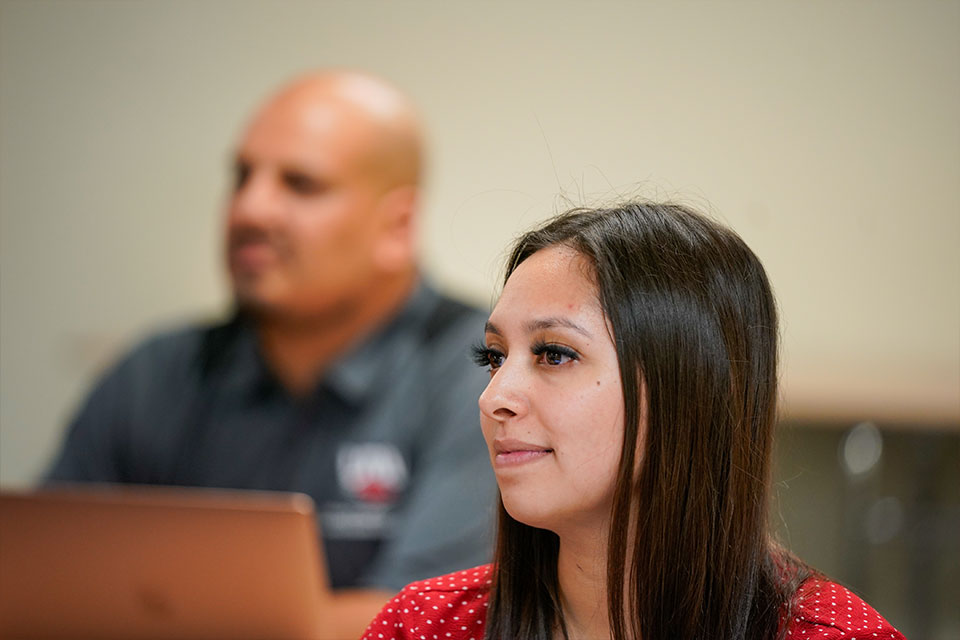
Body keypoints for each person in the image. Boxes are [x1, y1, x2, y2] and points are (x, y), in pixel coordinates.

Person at [44, 71, 495, 639]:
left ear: (396, 226)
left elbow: (434, 622)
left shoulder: (485, 373)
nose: (250, 210)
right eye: (241, 176)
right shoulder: (155, 372)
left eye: (300, 184)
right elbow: (40, 584)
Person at [363, 201, 906, 640]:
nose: (494, 397)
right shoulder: (425, 624)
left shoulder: (834, 634)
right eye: (494, 357)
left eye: (554, 354)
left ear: (687, 386)